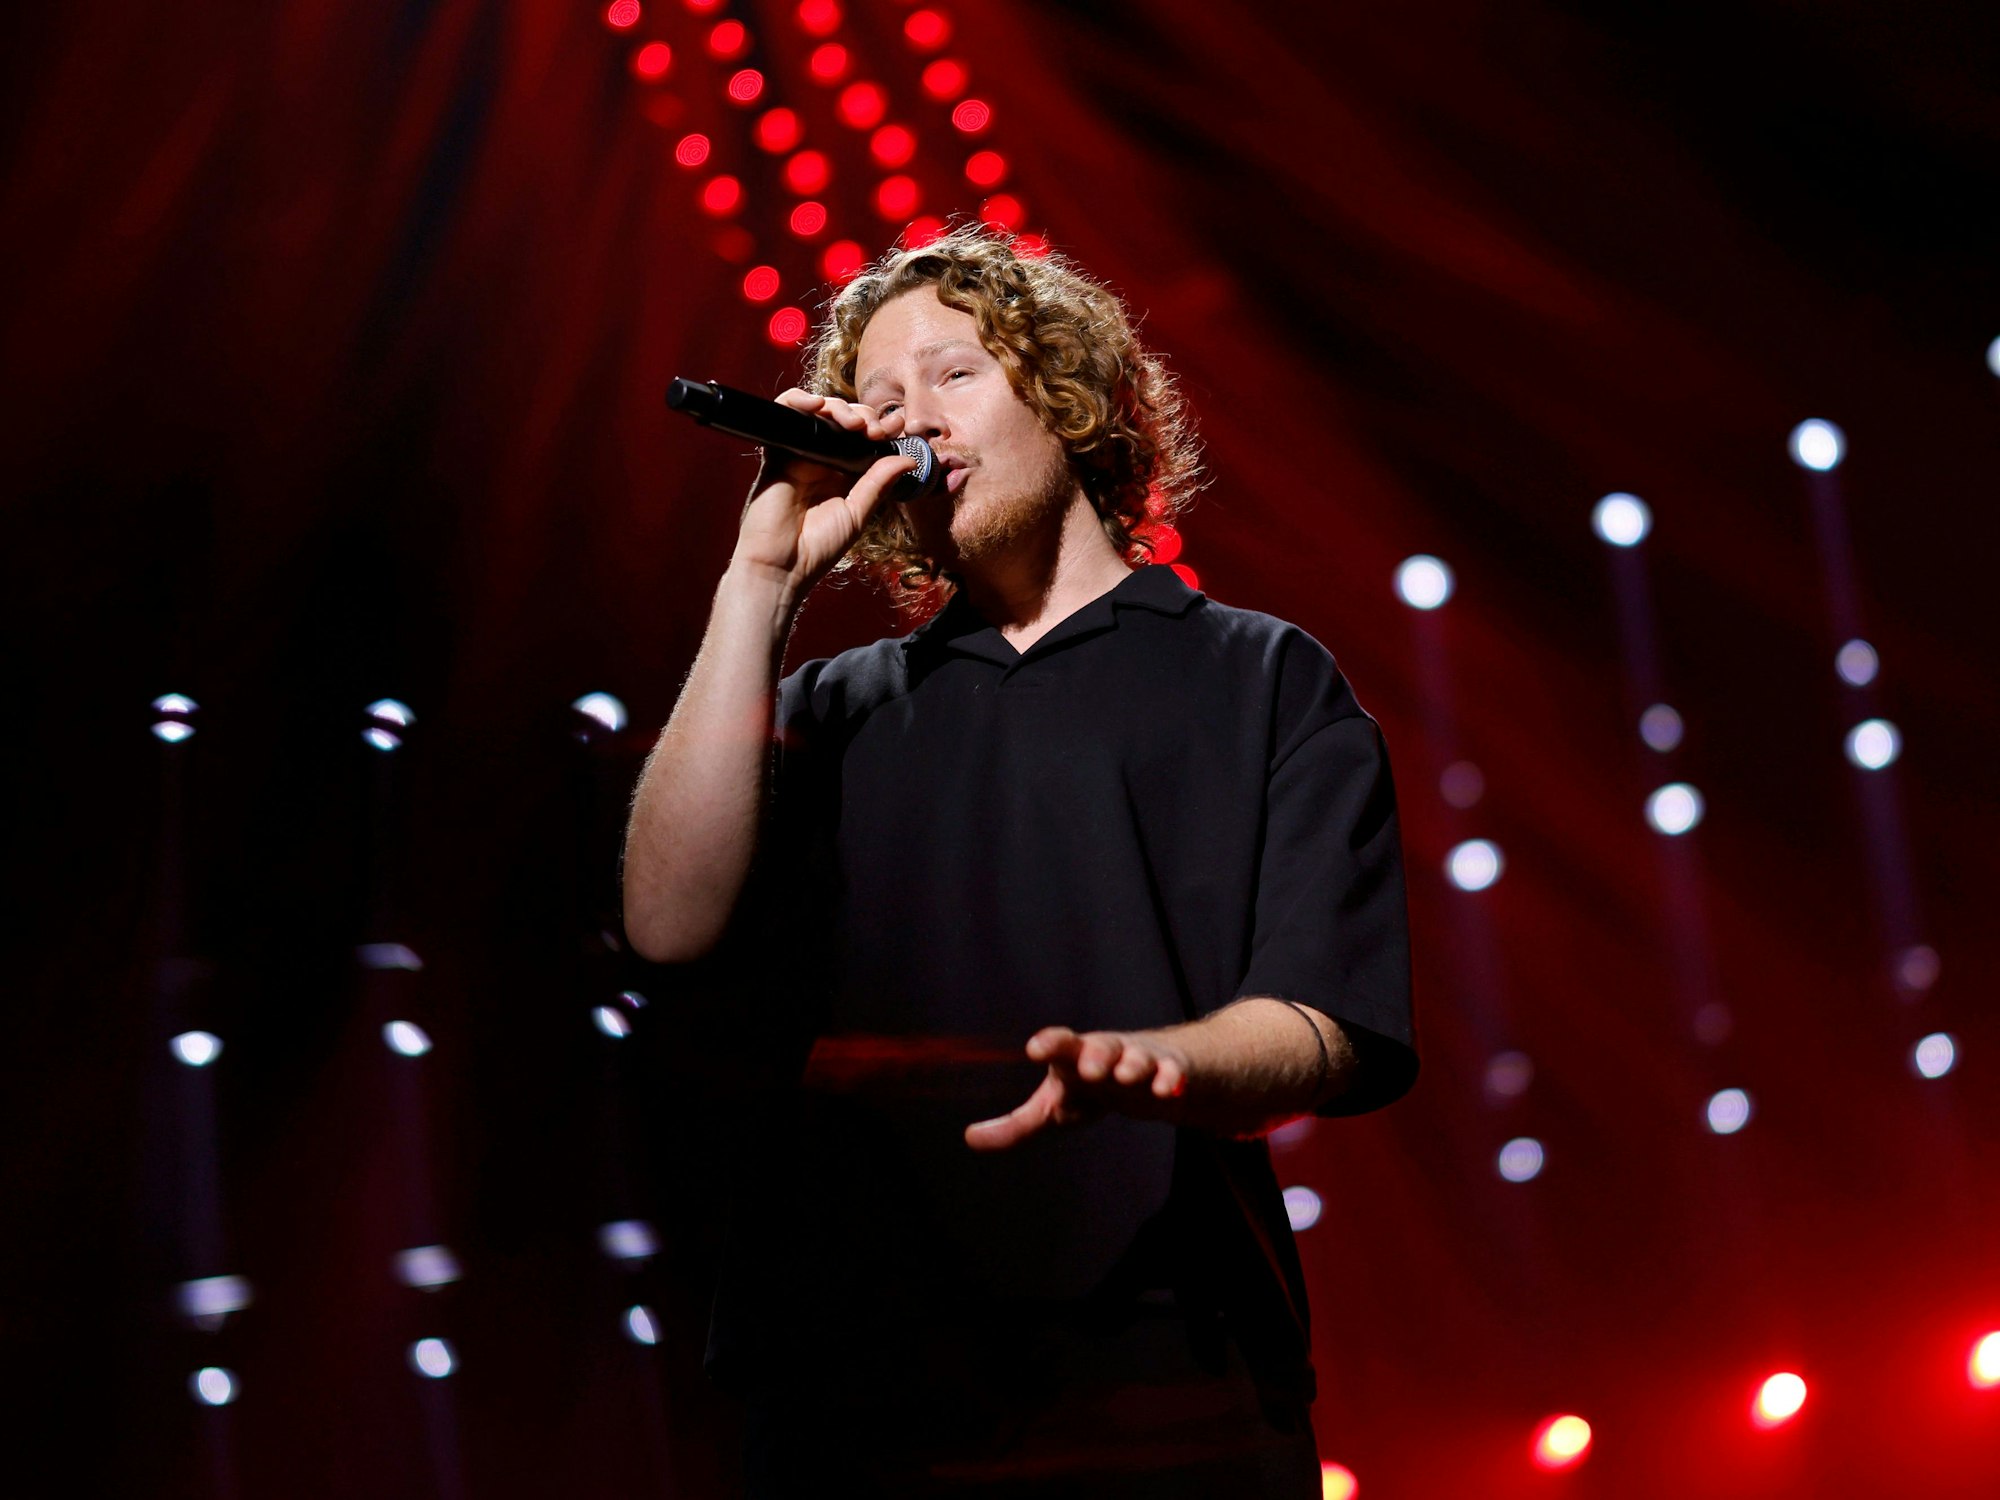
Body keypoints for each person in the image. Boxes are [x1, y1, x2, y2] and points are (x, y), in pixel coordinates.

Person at [622, 228, 1416, 1499]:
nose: (907, 423)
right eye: (878, 404)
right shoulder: (831, 704)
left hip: (1163, 1355)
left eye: (952, 378)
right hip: (853, 1374)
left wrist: (1160, 1066)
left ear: (1067, 400)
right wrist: (758, 581)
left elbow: (1331, 1024)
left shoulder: (1256, 676)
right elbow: (666, 921)